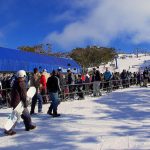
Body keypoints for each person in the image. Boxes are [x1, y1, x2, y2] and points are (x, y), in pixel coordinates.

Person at [4, 70, 36, 135]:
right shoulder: (22, 83)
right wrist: (26, 103)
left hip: (15, 102)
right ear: (23, 75)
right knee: (16, 117)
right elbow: (23, 95)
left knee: (25, 115)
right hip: (19, 103)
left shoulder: (16, 82)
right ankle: (8, 129)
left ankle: (28, 125)